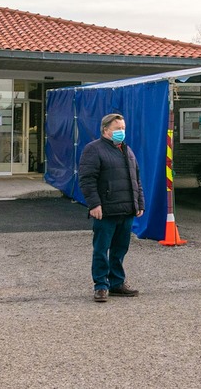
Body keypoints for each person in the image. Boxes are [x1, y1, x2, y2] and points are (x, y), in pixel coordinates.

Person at [78, 113, 145, 303]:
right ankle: (100, 286)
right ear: (105, 129)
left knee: (120, 249)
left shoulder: (127, 150)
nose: (122, 132)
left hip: (126, 210)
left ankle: (117, 283)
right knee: (101, 249)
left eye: (123, 128)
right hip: (106, 210)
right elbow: (87, 179)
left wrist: (139, 203)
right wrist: (94, 204)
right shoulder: (93, 149)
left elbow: (136, 179)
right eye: (118, 129)